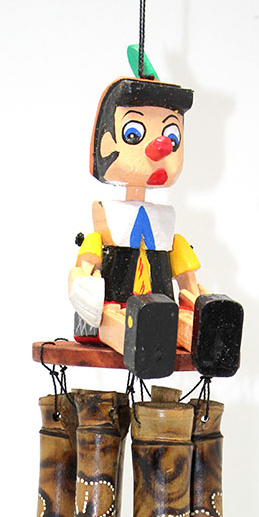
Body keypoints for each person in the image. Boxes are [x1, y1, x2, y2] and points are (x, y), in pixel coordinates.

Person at [68, 75, 242, 380]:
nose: (160, 147)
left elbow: (188, 283)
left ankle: (211, 342)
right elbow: (85, 269)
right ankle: (147, 337)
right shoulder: (103, 225)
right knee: (130, 326)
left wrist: (197, 303)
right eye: (134, 133)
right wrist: (83, 288)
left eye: (171, 137)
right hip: (116, 307)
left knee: (187, 326)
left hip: (164, 310)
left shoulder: (170, 234)